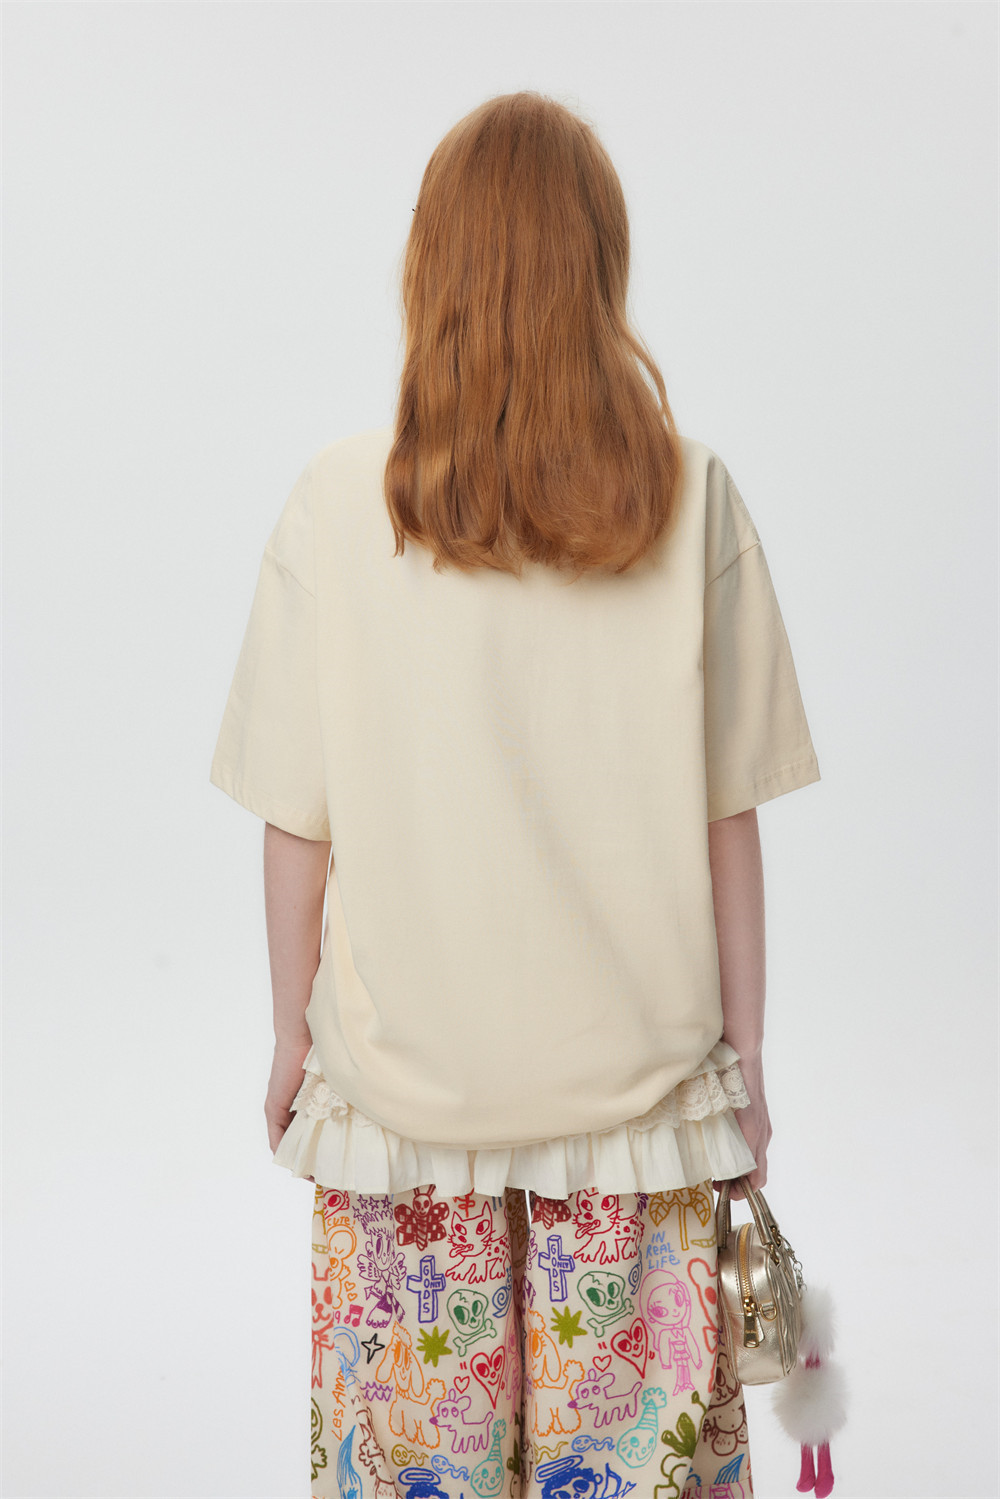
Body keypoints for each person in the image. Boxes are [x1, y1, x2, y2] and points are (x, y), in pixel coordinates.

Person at [209, 91, 821, 1499]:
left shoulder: (336, 501)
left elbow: (297, 824)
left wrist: (290, 1038)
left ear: (432, 265)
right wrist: (747, 1060)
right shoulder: (690, 496)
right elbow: (728, 821)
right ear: (600, 265)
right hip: (642, 1116)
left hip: (402, 1119)